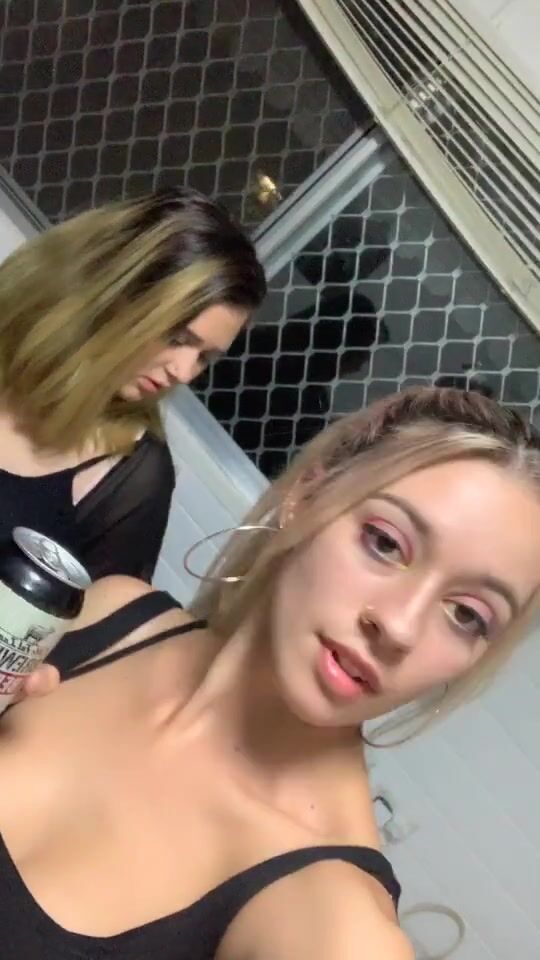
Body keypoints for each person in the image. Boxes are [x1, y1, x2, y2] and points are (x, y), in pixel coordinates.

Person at [8, 386, 540, 960]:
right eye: (386, 543)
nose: (400, 626)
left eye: (467, 615)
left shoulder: (337, 924)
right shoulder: (113, 613)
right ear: (306, 497)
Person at [0, 186, 266, 596]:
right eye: (178, 337)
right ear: (118, 292)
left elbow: (92, 627)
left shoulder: (132, 479)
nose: (184, 372)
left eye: (204, 358)